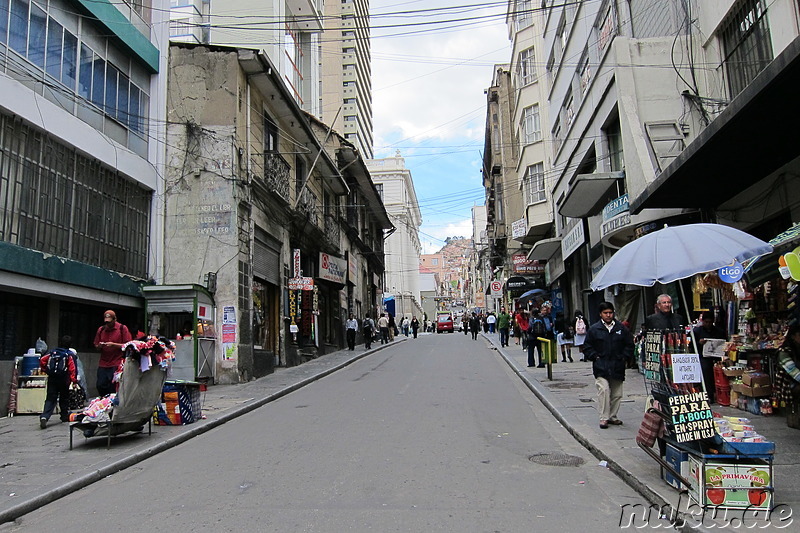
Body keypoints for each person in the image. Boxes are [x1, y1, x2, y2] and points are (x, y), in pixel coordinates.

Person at [582, 302, 634, 429]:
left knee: (617, 393)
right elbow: (587, 346)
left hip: (617, 365)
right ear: (601, 314)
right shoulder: (594, 329)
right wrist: (595, 357)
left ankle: (612, 416)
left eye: (610, 313)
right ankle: (604, 417)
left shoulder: (621, 329)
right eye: (606, 313)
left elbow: (629, 345)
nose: (608, 315)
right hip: (601, 365)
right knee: (604, 390)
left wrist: (624, 357)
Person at [39, 335, 79, 429]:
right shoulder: (69, 354)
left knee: (50, 398)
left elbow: (42, 360)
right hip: (64, 379)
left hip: (52, 378)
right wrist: (74, 380)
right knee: (64, 397)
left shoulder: (52, 352)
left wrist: (46, 370)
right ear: (70, 345)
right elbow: (72, 368)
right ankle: (64, 416)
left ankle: (45, 416)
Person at [93, 310, 132, 396]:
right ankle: (104, 402)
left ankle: (112, 404)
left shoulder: (122, 328)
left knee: (113, 386)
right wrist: (99, 346)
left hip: (116, 362)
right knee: (100, 385)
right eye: (106, 322)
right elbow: (96, 345)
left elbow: (129, 345)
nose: (108, 324)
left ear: (115, 319)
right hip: (103, 362)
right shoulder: (101, 329)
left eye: (110, 322)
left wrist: (114, 345)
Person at [693, 312, 726, 403]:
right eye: (706, 322)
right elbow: (691, 344)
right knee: (706, 369)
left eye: (710, 322)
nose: (708, 324)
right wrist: (699, 343)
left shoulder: (719, 331)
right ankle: (708, 394)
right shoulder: (697, 331)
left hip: (716, 356)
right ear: (703, 321)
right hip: (703, 357)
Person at [775, 324, 800, 409]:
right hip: (788, 385)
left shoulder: (797, 349)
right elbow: (794, 373)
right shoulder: (784, 352)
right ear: (793, 337)